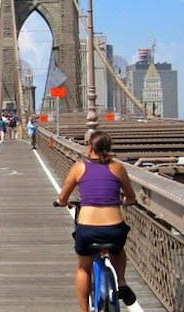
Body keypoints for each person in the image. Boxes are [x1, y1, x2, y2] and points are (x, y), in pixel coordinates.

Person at [55, 130, 138, 311]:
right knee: (118, 249)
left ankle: (84, 310)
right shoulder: (118, 168)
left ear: (90, 147)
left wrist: (63, 202)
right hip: (114, 229)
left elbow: (62, 197)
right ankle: (122, 281)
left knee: (83, 268)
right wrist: (126, 201)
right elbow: (131, 196)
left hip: (88, 229)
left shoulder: (79, 167)